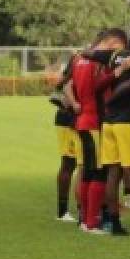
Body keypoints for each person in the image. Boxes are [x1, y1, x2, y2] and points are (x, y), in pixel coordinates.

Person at [69, 29, 126, 234]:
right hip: (94, 120)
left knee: (88, 171)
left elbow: (72, 87)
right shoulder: (97, 61)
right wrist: (115, 74)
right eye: (120, 47)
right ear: (113, 42)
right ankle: (92, 222)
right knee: (98, 173)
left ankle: (85, 219)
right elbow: (96, 87)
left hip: (83, 119)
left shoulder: (80, 59)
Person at [98, 40, 130, 236]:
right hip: (128, 123)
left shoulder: (114, 60)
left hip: (109, 122)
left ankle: (114, 223)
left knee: (113, 173)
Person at [50, 62, 80, 223]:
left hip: (68, 118)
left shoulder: (78, 59)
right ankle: (63, 212)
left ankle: (68, 210)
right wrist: (74, 103)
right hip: (70, 119)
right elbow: (65, 85)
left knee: (73, 165)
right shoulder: (83, 60)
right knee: (70, 164)